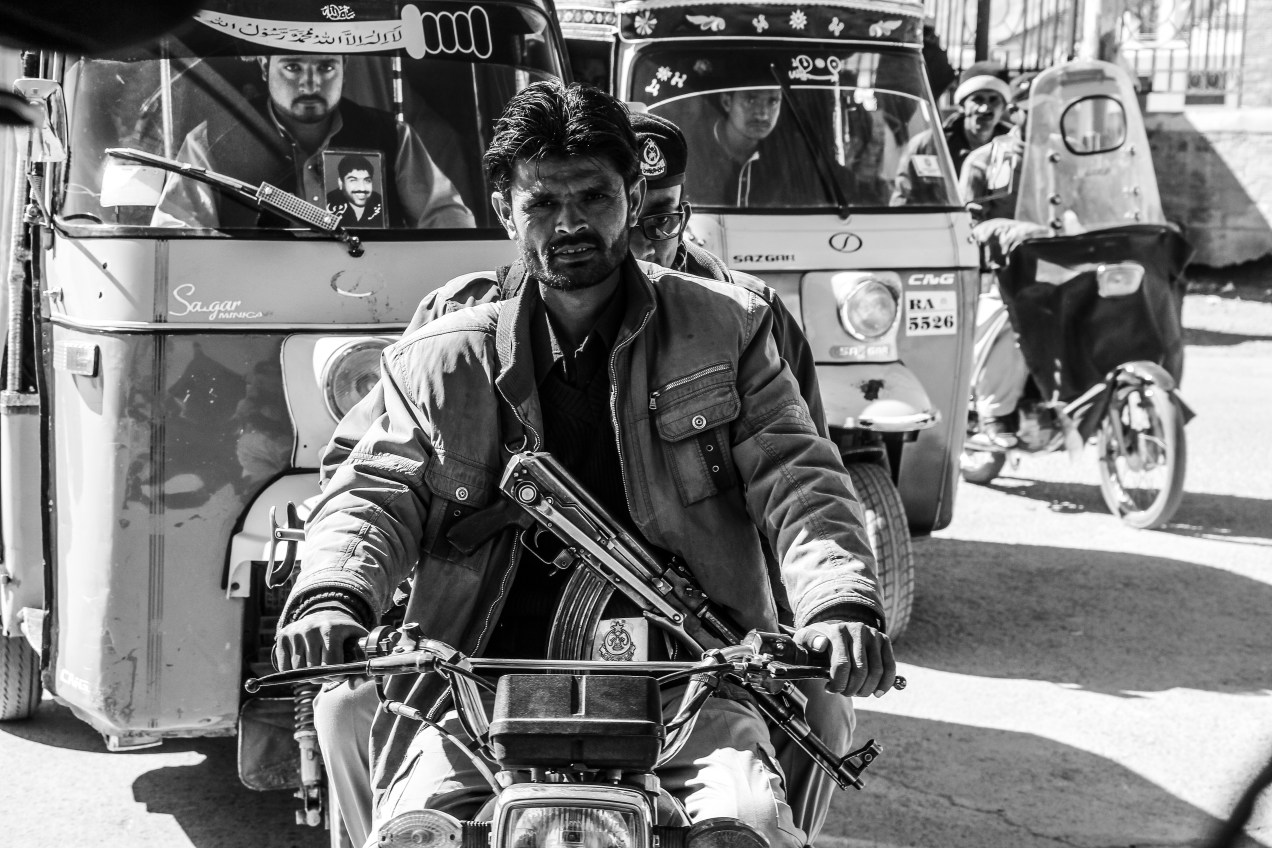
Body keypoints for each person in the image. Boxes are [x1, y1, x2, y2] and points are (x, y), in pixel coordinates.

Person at [279, 80, 896, 848]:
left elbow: (798, 476)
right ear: (505, 212)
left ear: (632, 198)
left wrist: (839, 603)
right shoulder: (441, 355)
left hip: (692, 683)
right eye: (542, 203)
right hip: (469, 684)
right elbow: (373, 491)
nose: (569, 223)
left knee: (752, 827)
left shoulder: (729, 328)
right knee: (411, 831)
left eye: (593, 197)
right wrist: (332, 596)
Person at [152, 54, 473, 230]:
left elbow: (448, 222)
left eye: (326, 67)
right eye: (293, 67)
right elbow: (178, 232)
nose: (310, 83)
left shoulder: (391, 136)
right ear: (264, 67)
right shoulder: (211, 141)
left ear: (345, 68)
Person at [960, 72, 1049, 450]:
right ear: (1016, 112)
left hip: (1053, 263)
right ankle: (993, 411)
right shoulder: (985, 160)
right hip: (999, 270)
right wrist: (1012, 232)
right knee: (1010, 320)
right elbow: (968, 226)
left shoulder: (1061, 158)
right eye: (1033, 109)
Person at [892, 62, 1012, 206]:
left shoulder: (1013, 149)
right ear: (962, 105)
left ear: (1004, 107)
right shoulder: (929, 145)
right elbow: (903, 200)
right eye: (977, 99)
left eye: (993, 100)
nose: (985, 108)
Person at [682, 87, 785, 207]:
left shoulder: (786, 157)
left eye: (773, 101)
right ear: (727, 102)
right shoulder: (690, 150)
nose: (763, 114)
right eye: (751, 100)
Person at [326, 153, 385, 227]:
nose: (362, 188)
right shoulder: (327, 203)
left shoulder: (382, 204)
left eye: (367, 181)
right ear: (340, 183)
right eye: (353, 180)